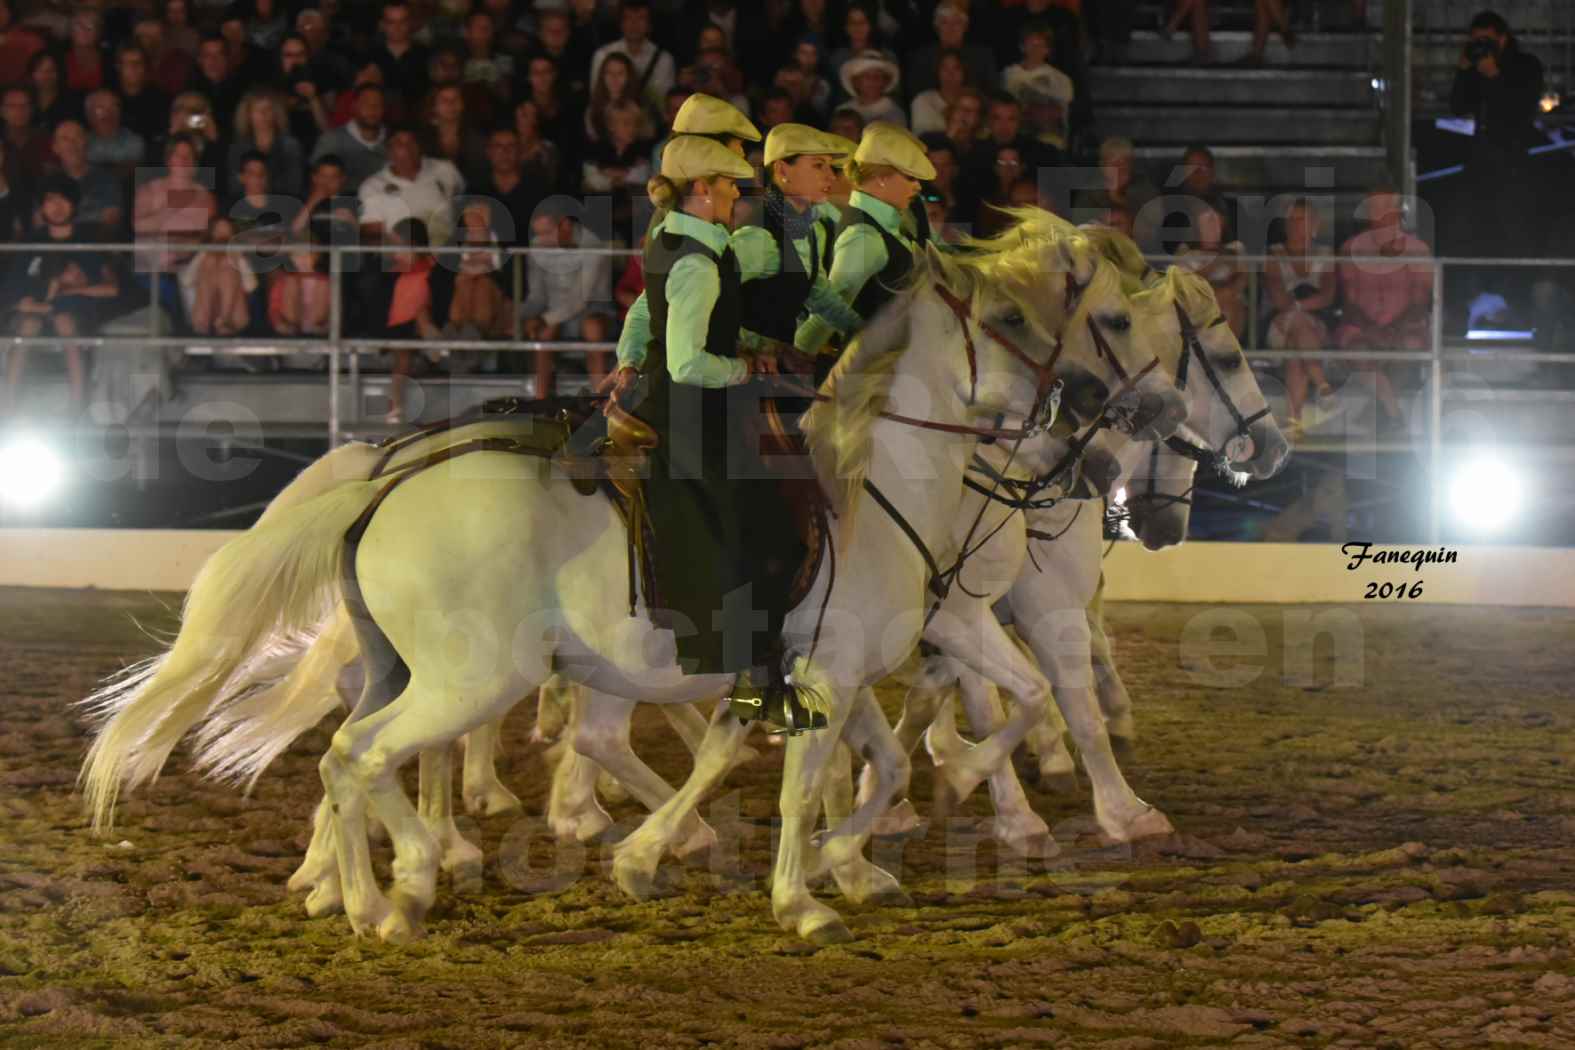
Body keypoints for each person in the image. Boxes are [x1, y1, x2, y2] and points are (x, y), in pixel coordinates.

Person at [631, 134, 820, 730]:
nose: (737, 194)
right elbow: (688, 362)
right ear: (702, 190)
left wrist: (755, 350)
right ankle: (753, 685)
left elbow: (688, 335)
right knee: (763, 533)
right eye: (728, 185)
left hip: (684, 405)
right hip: (692, 415)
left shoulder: (682, 243)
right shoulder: (695, 261)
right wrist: (741, 367)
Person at [796, 123, 935, 357]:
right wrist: (793, 357)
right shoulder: (864, 236)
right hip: (872, 373)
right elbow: (830, 309)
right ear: (881, 178)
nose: (918, 186)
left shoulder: (886, 224)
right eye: (910, 177)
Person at [3, 176, 118, 414]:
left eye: (62, 199)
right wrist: (38, 299)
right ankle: (8, 408)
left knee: (64, 321)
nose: (56, 206)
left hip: (75, 313)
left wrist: (71, 290)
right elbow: (14, 289)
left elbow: (111, 287)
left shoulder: (88, 239)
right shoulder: (32, 241)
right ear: (42, 206)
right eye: (50, 200)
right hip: (36, 311)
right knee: (27, 326)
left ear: (73, 204)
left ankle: (77, 406)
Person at [1336, 188, 1433, 431]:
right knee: (1359, 350)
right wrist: (1371, 330)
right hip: (1361, 329)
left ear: (1397, 212)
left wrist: (1392, 330)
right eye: (1374, 210)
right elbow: (1349, 302)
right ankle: (1394, 415)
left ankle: (1377, 413)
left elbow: (1420, 302)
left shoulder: (1418, 250)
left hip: (1405, 328)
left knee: (1408, 345)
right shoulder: (1350, 248)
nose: (1379, 216)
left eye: (1385, 210)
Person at [1449, 10, 1544, 260]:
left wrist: (1493, 76)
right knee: (1475, 229)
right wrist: (1464, 71)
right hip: (1478, 159)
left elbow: (1520, 107)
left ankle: (1512, 289)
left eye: (1486, 41)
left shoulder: (1526, 66)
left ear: (1502, 39)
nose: (1481, 46)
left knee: (1513, 229)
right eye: (1476, 41)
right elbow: (1458, 106)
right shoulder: (1475, 67)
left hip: (1514, 159)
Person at [1265, 198, 1338, 435]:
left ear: (1314, 224)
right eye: (1293, 220)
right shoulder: (1274, 255)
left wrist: (1297, 307)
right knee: (1297, 326)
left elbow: (1327, 296)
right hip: (1280, 326)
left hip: (1316, 328)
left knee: (1298, 345)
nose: (1297, 225)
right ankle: (1323, 387)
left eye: (1303, 220)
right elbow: (1278, 298)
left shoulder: (1326, 255)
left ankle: (1294, 423)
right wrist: (1299, 308)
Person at [357, 126, 464, 245]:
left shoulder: (445, 170)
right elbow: (373, 236)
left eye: (412, 142)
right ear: (389, 150)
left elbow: (466, 207)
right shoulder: (372, 186)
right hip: (400, 258)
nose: (407, 148)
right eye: (399, 143)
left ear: (420, 146)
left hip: (448, 254)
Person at [311, 83, 388, 191]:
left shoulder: (396, 142)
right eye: (366, 103)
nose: (372, 109)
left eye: (378, 104)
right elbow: (320, 188)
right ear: (354, 107)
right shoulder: (332, 141)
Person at [837, 49, 904, 128]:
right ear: (856, 82)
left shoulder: (894, 113)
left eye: (878, 76)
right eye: (867, 76)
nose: (873, 81)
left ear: (886, 82)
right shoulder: (842, 109)